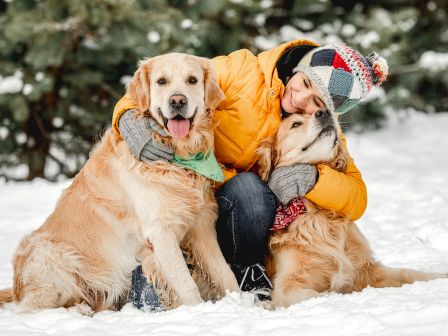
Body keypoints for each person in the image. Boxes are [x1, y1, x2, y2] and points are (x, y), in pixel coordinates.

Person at [112, 39, 388, 310]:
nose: (301, 98)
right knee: (246, 189)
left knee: (251, 190)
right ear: (298, 69)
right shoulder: (242, 70)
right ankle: (157, 272)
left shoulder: (319, 128)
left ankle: (247, 270)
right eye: (304, 83)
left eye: (316, 101)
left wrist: (315, 181)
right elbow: (173, 75)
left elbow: (357, 196)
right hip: (187, 194)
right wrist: (126, 118)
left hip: (245, 216)